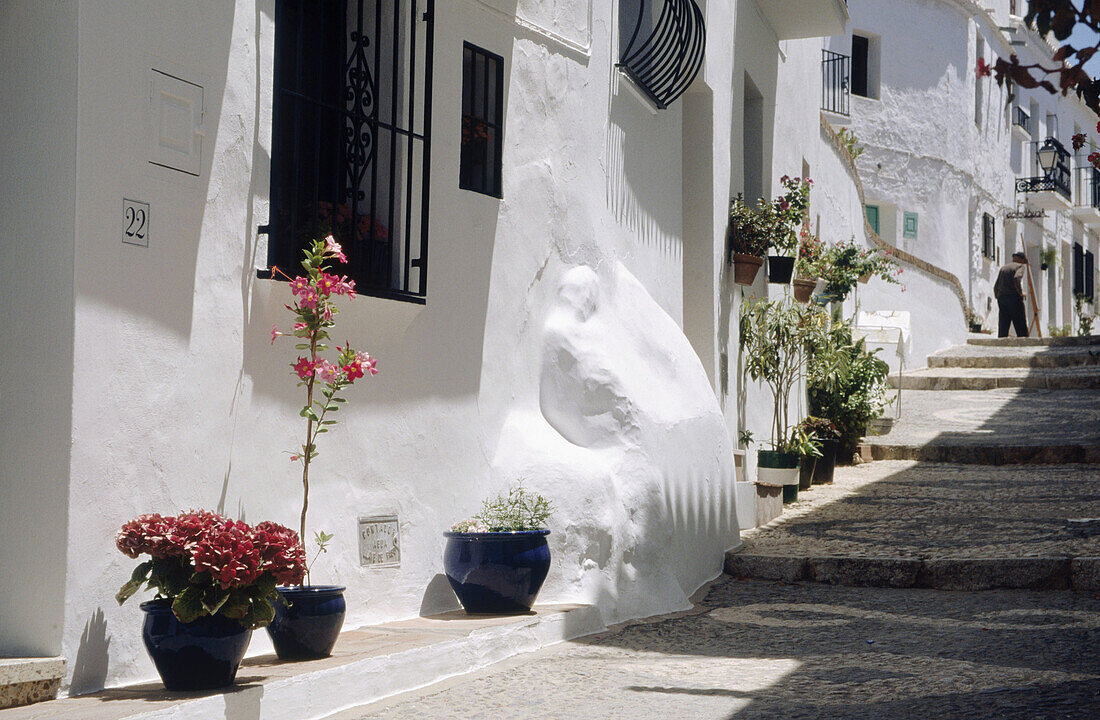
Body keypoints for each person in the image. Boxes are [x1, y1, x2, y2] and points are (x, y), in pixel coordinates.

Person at [994, 251, 1029, 338]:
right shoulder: (1020, 266)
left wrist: (997, 296)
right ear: (1021, 259)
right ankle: (1024, 342)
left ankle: (1001, 342)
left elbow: (996, 285)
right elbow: (1017, 278)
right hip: (1013, 297)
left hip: (1002, 297)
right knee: (1020, 322)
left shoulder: (1003, 268)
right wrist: (1020, 293)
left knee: (1003, 323)